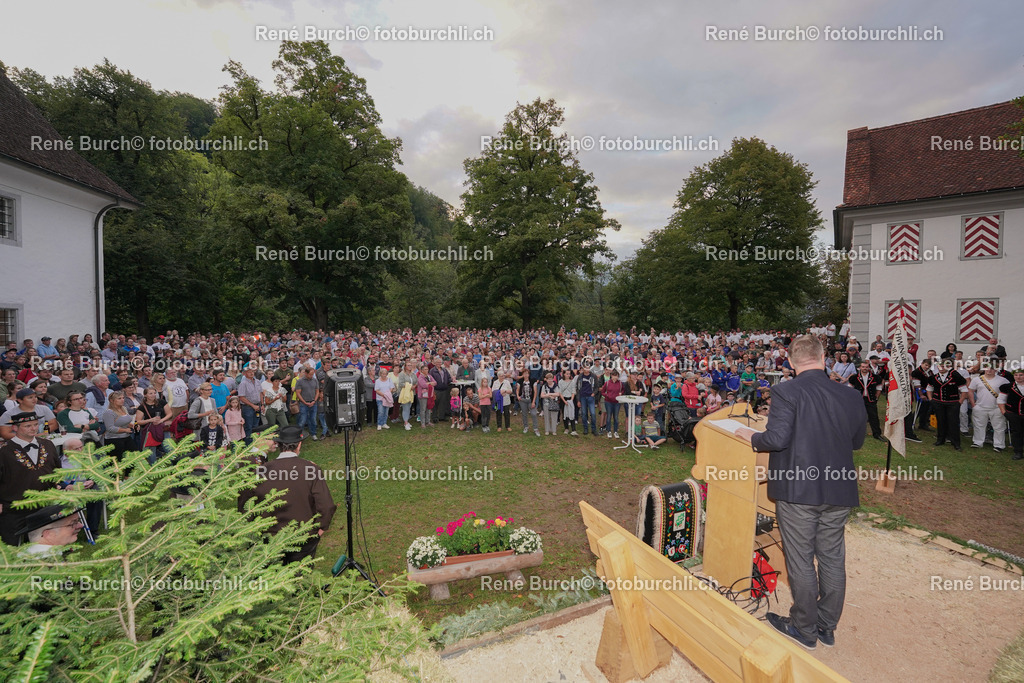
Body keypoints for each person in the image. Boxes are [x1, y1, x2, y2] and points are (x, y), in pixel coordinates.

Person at [735, 335, 867, 651]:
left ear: (792, 363)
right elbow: (857, 442)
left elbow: (777, 438)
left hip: (799, 490)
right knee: (832, 558)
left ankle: (804, 628)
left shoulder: (787, 390)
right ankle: (826, 625)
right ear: (823, 358)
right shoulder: (850, 395)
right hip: (838, 487)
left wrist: (751, 436)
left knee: (801, 559)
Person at [239, 425, 336, 564]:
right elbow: (326, 505)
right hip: (302, 536)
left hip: (270, 537)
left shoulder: (260, 471)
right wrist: (320, 528)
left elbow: (246, 505)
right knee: (300, 575)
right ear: (299, 445)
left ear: (279, 444)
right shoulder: (310, 469)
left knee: (272, 575)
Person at [0, 413, 63, 545]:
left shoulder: (48, 444)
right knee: (11, 545)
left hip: (46, 502)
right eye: (27, 426)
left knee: (48, 541)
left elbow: (57, 469)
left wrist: (59, 485)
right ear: (15, 428)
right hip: (15, 506)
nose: (33, 428)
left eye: (35, 425)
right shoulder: (4, 451)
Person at [15, 505, 87, 559]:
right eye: (73, 523)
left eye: (78, 521)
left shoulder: (24, 559)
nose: (80, 525)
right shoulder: (51, 568)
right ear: (49, 534)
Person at [927, 359, 968, 452]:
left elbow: (964, 390)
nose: (941, 368)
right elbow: (929, 388)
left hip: (952, 403)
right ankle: (940, 440)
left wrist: (959, 402)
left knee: (953, 422)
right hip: (938, 402)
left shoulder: (955, 376)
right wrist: (931, 400)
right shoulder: (933, 377)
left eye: (944, 366)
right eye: (940, 366)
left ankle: (956, 443)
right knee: (941, 421)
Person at [969, 366, 1008, 452]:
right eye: (987, 368)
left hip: (996, 407)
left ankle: (999, 445)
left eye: (992, 368)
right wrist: (973, 404)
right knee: (978, 425)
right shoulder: (976, 379)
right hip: (980, 406)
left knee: (999, 427)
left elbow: (1007, 392)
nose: (989, 370)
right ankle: (978, 442)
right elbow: (971, 391)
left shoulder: (1003, 380)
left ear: (996, 369)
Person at [847, 361, 884, 441]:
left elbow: (879, 388)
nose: (865, 368)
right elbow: (850, 389)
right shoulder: (854, 378)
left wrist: (876, 398)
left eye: (866, 367)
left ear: (869, 367)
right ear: (860, 367)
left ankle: (877, 434)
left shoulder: (876, 377)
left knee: (873, 417)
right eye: (863, 367)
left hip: (870, 399)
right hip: (858, 400)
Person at [102, 391, 137, 462]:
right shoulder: (109, 412)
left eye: (123, 398)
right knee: (117, 462)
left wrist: (132, 425)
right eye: (119, 398)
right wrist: (125, 430)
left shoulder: (124, 408)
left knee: (133, 458)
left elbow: (124, 422)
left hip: (126, 437)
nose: (122, 400)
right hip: (114, 440)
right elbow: (110, 428)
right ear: (112, 400)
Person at [998, 370, 1024, 461]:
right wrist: (1004, 412)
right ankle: (1018, 452)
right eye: (1016, 375)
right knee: (1017, 432)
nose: (1018, 377)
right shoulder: (1007, 387)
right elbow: (1001, 400)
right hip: (1013, 413)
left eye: (1021, 375)